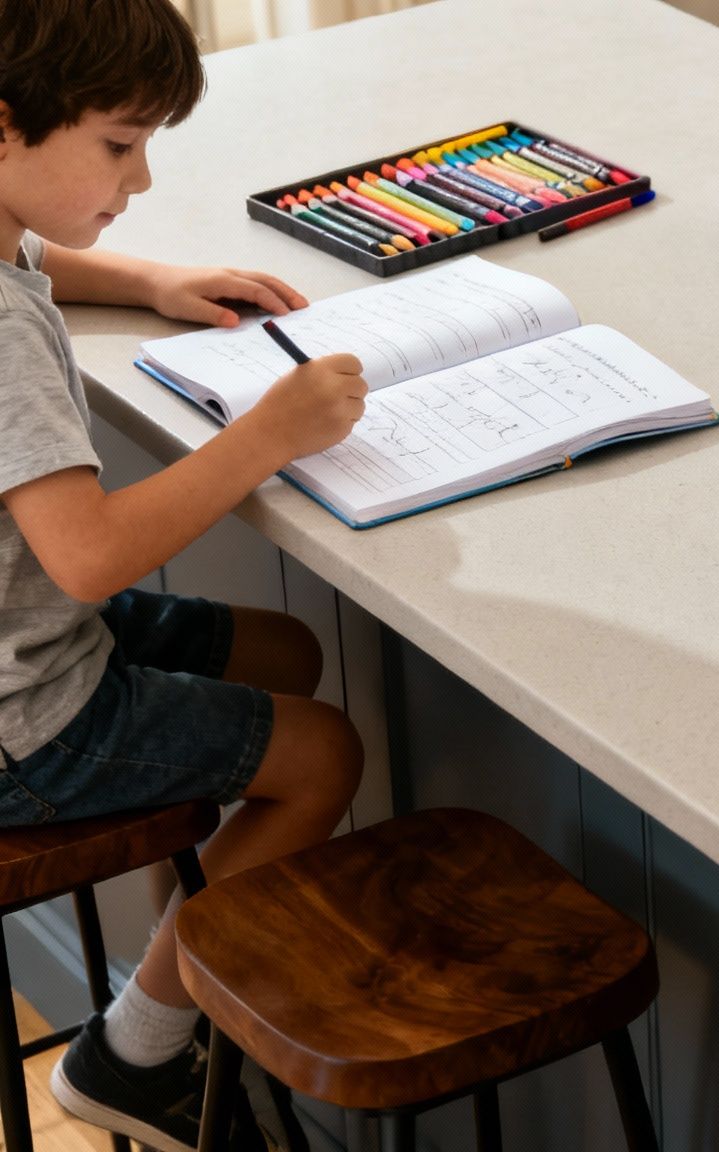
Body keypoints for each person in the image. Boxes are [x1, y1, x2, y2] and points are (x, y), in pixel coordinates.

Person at [0, 2, 368, 1146]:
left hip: (30, 646)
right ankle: (141, 1051)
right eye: (119, 144)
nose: (143, 175)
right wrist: (268, 432)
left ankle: (189, 971)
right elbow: (92, 555)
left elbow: (37, 249)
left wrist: (148, 281)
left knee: (286, 653)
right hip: (26, 713)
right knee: (324, 755)